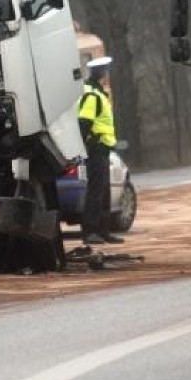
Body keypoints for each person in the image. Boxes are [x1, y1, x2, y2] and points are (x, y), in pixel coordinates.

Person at [78, 56, 123, 245]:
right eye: (105, 72)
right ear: (100, 75)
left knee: (103, 191)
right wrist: (87, 145)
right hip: (95, 148)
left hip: (102, 148)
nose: (107, 76)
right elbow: (84, 123)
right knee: (95, 191)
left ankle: (103, 231)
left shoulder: (98, 94)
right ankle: (90, 231)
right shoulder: (92, 96)